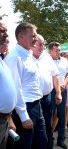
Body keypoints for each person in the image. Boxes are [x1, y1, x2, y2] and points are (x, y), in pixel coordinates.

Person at [4, 22, 48, 149]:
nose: (35, 38)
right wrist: (23, 116)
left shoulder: (28, 55)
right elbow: (15, 89)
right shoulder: (14, 57)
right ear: (20, 36)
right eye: (32, 36)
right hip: (25, 108)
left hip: (37, 107)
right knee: (25, 146)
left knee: (42, 144)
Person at [31, 34, 62, 149]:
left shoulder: (47, 57)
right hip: (31, 101)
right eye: (40, 44)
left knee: (48, 126)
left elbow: (55, 76)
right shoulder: (25, 57)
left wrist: (58, 92)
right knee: (33, 129)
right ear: (33, 43)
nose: (42, 47)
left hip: (46, 99)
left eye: (43, 44)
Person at [48, 42, 68, 149]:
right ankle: (49, 139)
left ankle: (61, 140)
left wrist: (64, 84)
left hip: (63, 90)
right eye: (56, 50)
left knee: (61, 116)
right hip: (50, 92)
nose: (59, 52)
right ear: (50, 51)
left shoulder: (64, 60)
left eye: (59, 50)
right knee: (50, 116)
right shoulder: (46, 61)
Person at [0, 19, 17, 149]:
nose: (6, 35)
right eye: (2, 31)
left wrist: (9, 118)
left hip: (5, 120)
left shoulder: (1, 60)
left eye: (6, 31)